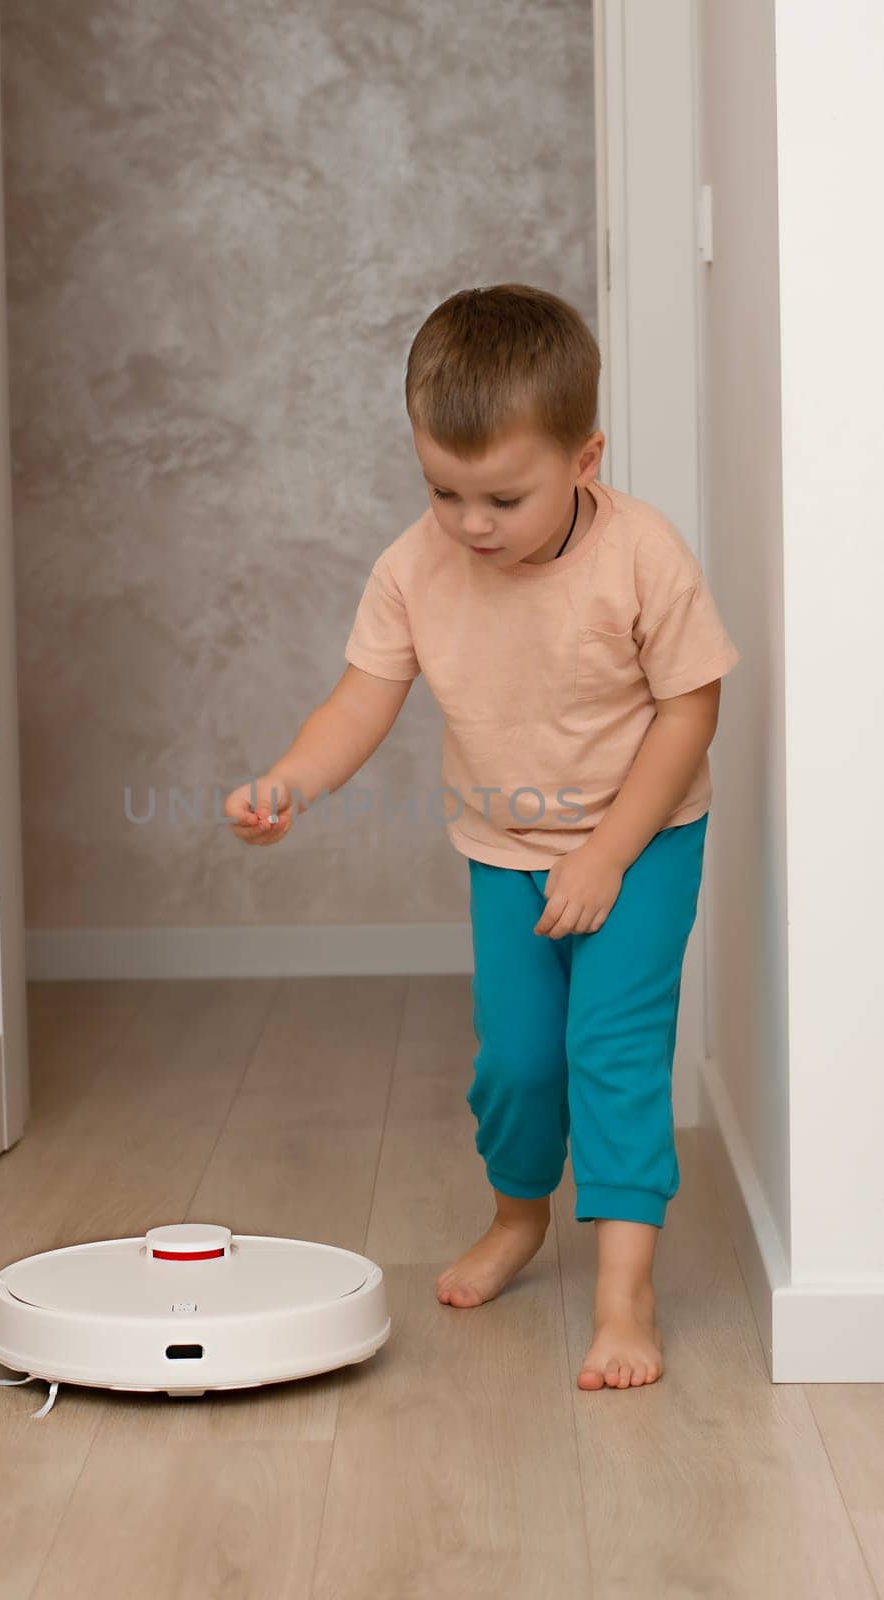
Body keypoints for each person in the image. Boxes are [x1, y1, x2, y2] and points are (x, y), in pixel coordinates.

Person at [222, 283, 741, 1392]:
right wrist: (291, 782)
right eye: (442, 490)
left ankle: (622, 1292)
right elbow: (360, 697)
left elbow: (690, 709)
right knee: (514, 1062)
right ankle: (517, 1218)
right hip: (503, 849)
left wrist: (606, 855)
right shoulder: (415, 567)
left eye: (502, 496)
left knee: (608, 1050)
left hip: (641, 840)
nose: (469, 523)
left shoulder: (641, 555)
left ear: (584, 457)